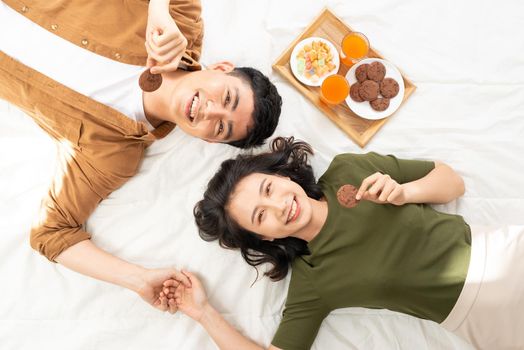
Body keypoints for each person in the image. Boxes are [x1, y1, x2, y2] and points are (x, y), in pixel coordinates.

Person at [0, 0, 281, 312]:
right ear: (221, 68)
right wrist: (159, 9)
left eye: (221, 128)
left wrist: (137, 278)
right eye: (227, 97)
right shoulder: (182, 20)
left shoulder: (114, 155)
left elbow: (51, 234)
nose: (209, 111)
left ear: (210, 141)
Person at [162, 137, 523, 349]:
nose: (278, 206)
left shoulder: (349, 170)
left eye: (269, 188)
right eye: (260, 216)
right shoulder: (313, 281)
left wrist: (404, 192)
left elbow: (451, 181)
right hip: (485, 317)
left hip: (506, 251)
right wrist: (203, 313)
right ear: (266, 237)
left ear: (282, 174)